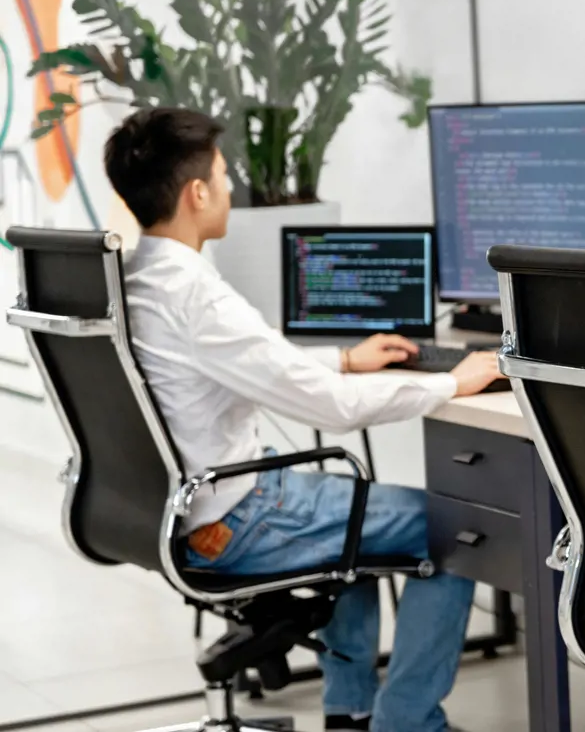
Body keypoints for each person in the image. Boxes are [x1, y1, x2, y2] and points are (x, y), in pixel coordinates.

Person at [105, 107, 499, 732]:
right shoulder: (195, 293)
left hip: (192, 510)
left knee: (359, 522)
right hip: (238, 516)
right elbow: (330, 410)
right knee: (457, 528)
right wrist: (454, 380)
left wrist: (343, 356)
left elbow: (248, 362)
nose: (233, 185)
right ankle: (407, 722)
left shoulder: (137, 279)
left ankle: (352, 712)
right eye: (223, 173)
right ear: (197, 192)